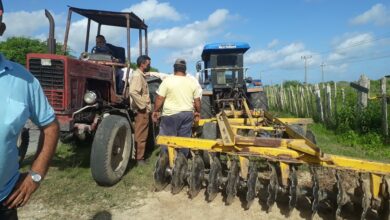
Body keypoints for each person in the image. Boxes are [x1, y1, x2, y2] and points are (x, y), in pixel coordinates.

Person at [0, 1, 59, 219]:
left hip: (4, 201)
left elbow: (51, 126)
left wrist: (36, 175)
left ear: (1, 29)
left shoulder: (23, 80)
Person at [152, 59, 201, 156]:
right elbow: (197, 101)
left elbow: (160, 98)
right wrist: (198, 112)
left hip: (170, 116)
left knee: (168, 139)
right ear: (185, 70)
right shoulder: (192, 82)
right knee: (184, 140)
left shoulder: (167, 81)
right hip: (187, 115)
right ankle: (182, 161)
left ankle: (167, 160)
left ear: (174, 69)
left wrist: (155, 111)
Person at [129, 55, 152, 165]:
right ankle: (139, 159)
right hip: (141, 110)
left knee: (141, 133)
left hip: (141, 109)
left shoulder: (139, 75)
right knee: (141, 134)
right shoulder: (138, 75)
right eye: (148, 64)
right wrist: (142, 106)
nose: (149, 66)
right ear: (142, 64)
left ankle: (139, 156)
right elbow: (133, 92)